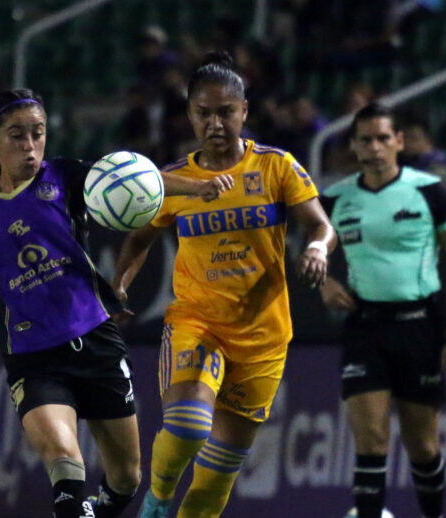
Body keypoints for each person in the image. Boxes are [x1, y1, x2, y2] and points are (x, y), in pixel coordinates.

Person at [0, 88, 233, 518]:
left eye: (38, 133)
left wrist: (197, 189)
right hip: (34, 357)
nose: (30, 145)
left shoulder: (65, 176)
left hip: (96, 340)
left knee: (126, 478)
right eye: (17, 135)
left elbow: (136, 179)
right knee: (66, 467)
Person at [113, 52, 336, 518]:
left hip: (263, 338)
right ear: (189, 114)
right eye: (203, 112)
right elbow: (138, 242)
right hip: (198, 322)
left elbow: (320, 224)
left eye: (225, 112)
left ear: (244, 112)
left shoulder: (277, 167)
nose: (215, 122)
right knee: (191, 425)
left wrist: (317, 249)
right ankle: (156, 496)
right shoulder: (172, 182)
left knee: (216, 481)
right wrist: (120, 286)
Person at [318, 102, 446, 518]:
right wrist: (323, 281)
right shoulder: (336, 198)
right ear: (353, 146)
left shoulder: (429, 191)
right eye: (366, 140)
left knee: (423, 447)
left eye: (383, 138)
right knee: (370, 441)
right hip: (365, 327)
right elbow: (295, 245)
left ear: (399, 142)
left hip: (420, 326)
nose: (375, 147)